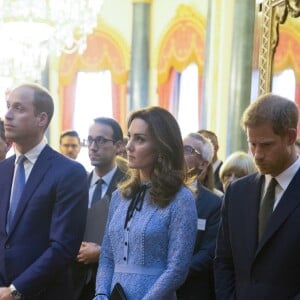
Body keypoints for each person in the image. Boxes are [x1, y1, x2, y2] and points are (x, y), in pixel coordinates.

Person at [94, 106, 198, 299]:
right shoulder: (119, 196)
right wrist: (100, 293)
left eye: (139, 139)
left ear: (161, 147)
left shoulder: (181, 199)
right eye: (130, 136)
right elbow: (107, 257)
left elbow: (177, 269)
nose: (129, 146)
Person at [0, 83, 88, 300]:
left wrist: (15, 290)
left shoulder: (69, 172)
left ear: (41, 119)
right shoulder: (2, 171)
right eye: (8, 106)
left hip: (45, 293)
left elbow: (63, 247)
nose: (7, 115)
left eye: (18, 109)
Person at [214, 94, 300, 300]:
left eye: (266, 145)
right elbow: (223, 261)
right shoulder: (237, 192)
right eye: (252, 144)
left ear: (290, 136)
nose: (257, 154)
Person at [72, 117, 126, 300]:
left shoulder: (130, 187)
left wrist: (103, 253)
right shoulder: (75, 182)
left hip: (112, 283)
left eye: (101, 140)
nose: (93, 146)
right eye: (90, 140)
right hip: (73, 280)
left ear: (118, 146)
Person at [177, 133, 222, 300]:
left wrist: (173, 273)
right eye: (179, 147)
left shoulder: (213, 204)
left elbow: (208, 253)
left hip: (190, 290)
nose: (179, 153)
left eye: (187, 150)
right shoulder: (157, 194)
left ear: (203, 164)